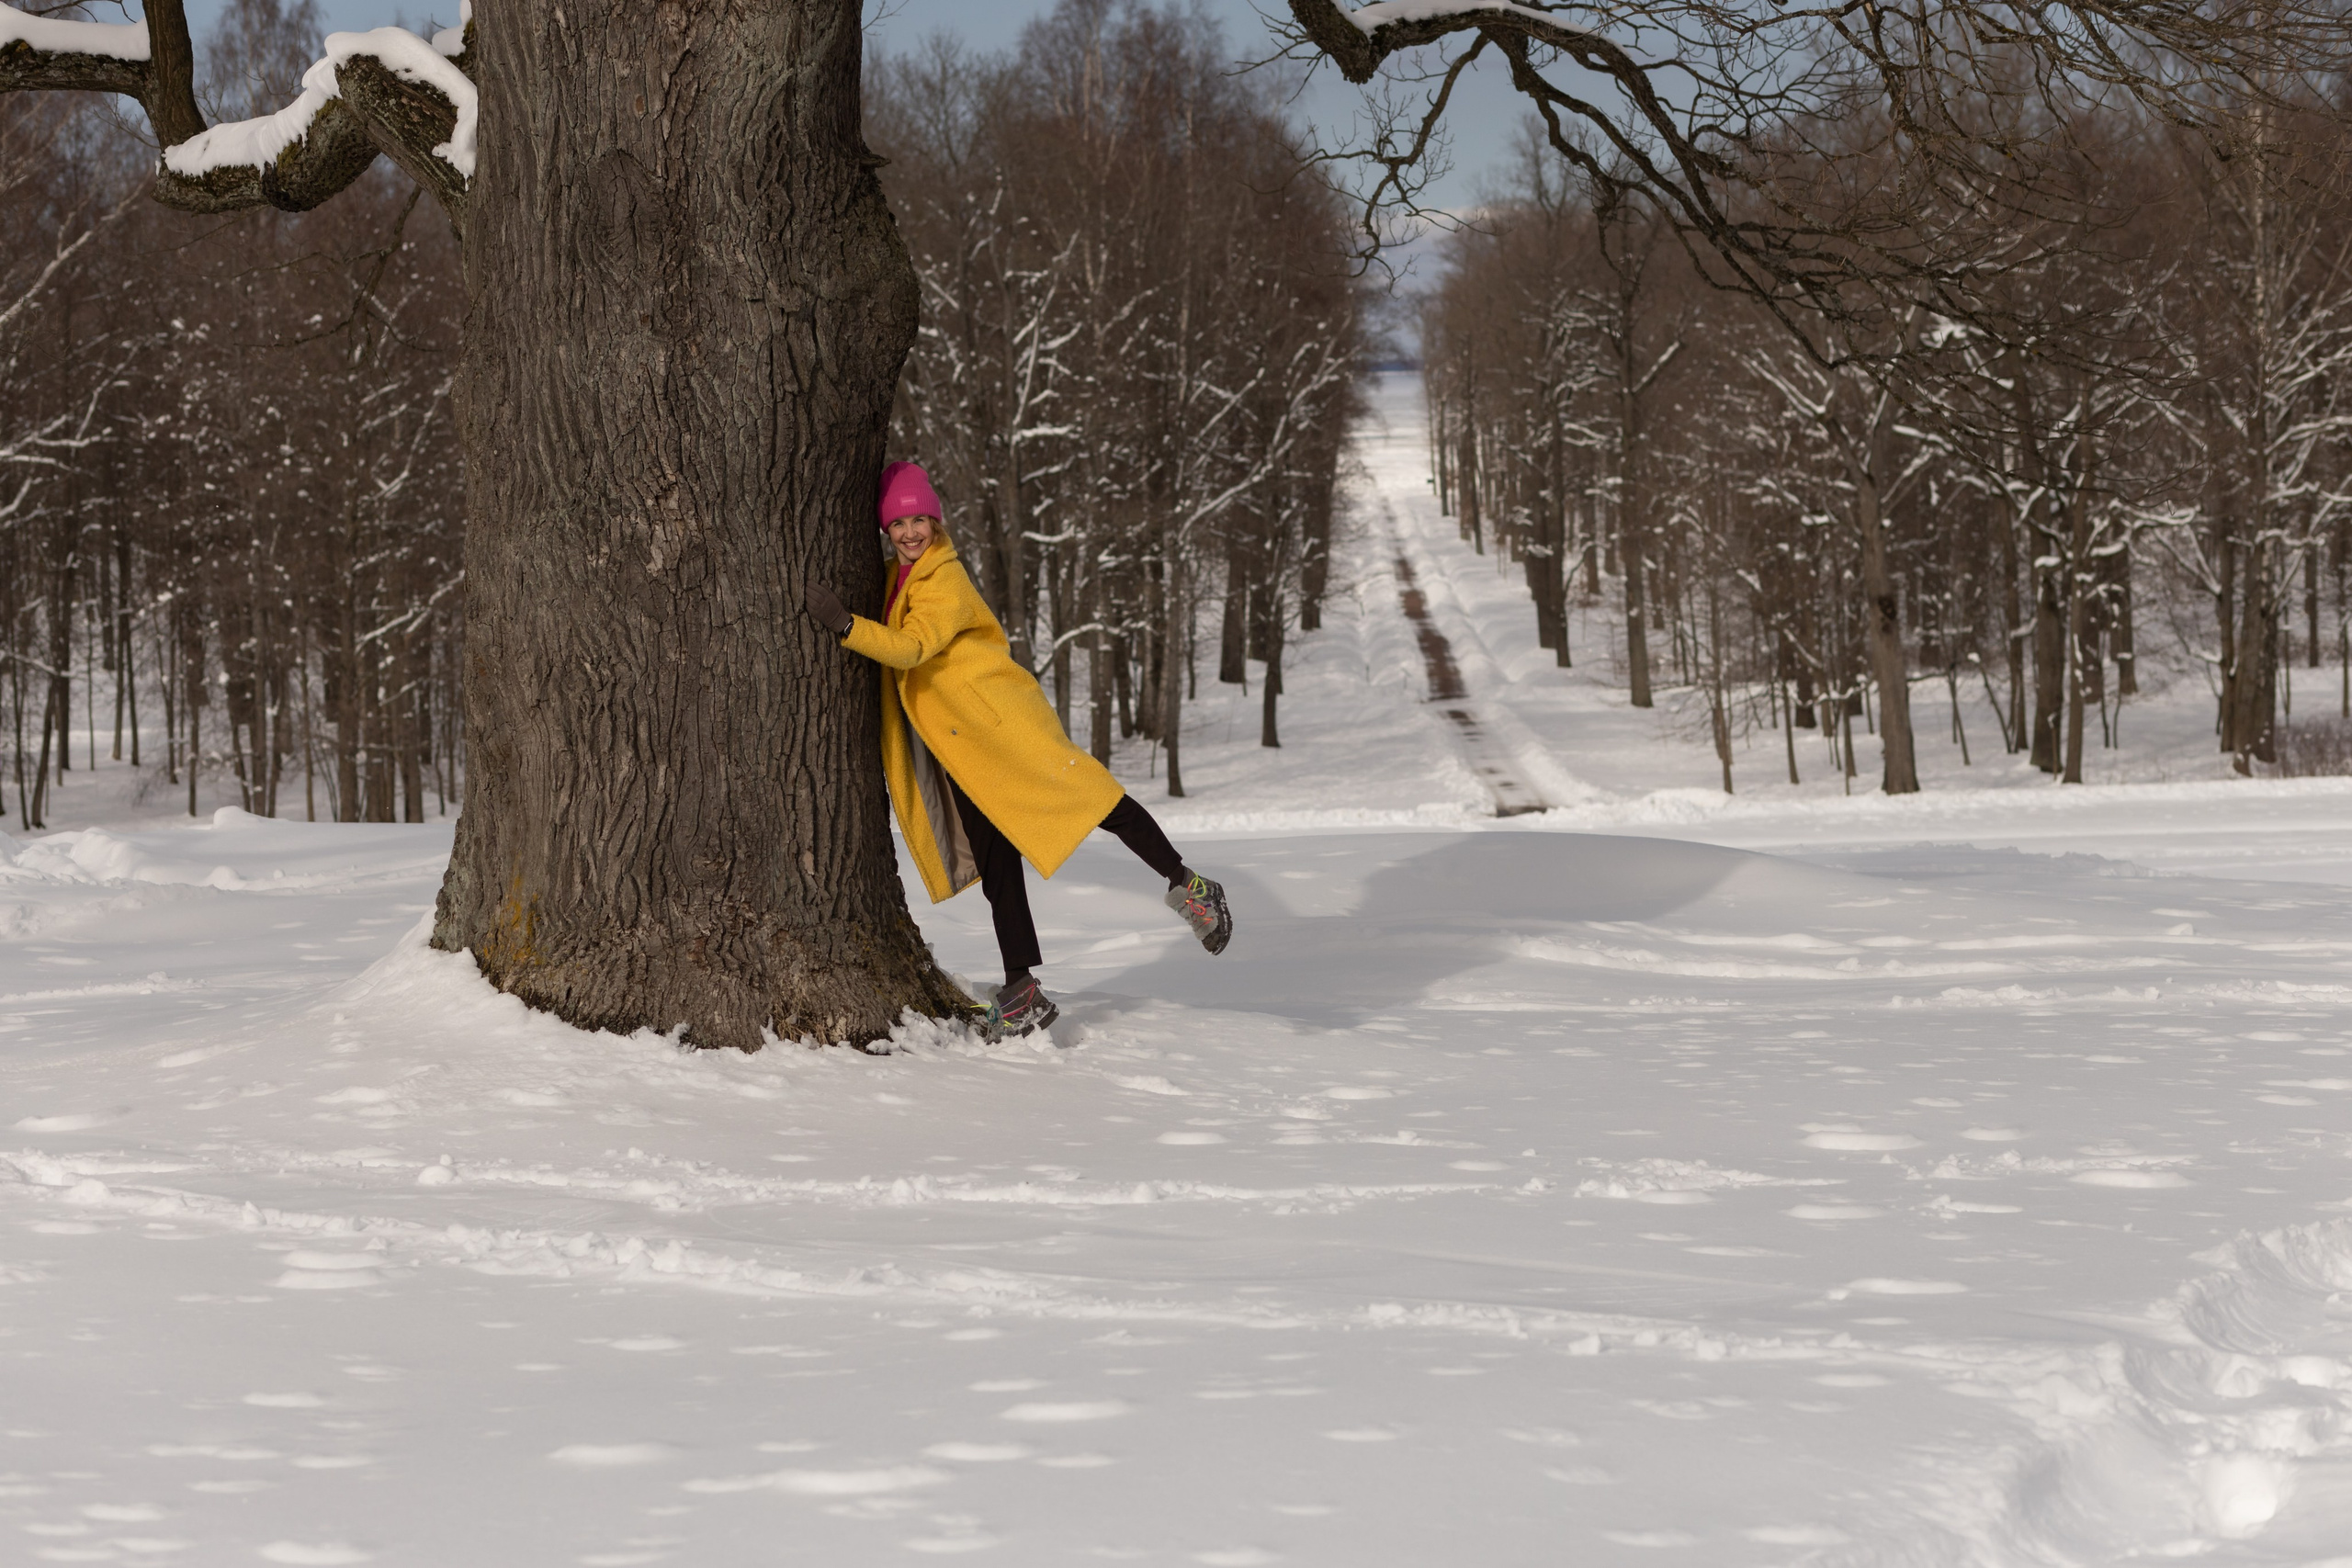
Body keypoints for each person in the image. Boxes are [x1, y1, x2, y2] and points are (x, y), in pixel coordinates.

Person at [805, 461, 1230, 1040]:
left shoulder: (942, 579)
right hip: (964, 747)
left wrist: (844, 625)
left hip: (1004, 726)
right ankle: (1022, 987)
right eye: (899, 522)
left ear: (936, 521)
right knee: (997, 862)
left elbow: (911, 648)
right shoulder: (895, 577)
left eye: (920, 519)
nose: (910, 532)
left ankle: (1190, 885)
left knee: (1093, 797)